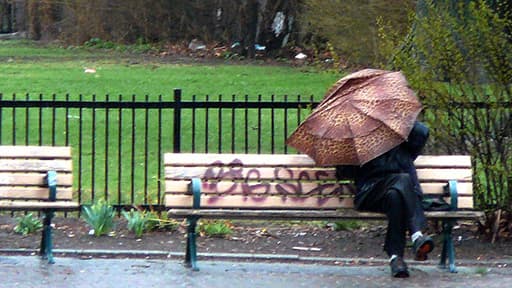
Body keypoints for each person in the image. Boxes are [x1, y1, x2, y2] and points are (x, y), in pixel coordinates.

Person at [336, 121, 434, 278]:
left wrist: (398, 120)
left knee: (396, 196)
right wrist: (349, 147)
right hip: (370, 194)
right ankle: (417, 234)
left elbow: (422, 132)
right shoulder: (358, 138)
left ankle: (396, 259)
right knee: (402, 180)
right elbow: (343, 173)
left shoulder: (400, 136)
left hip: (398, 196)